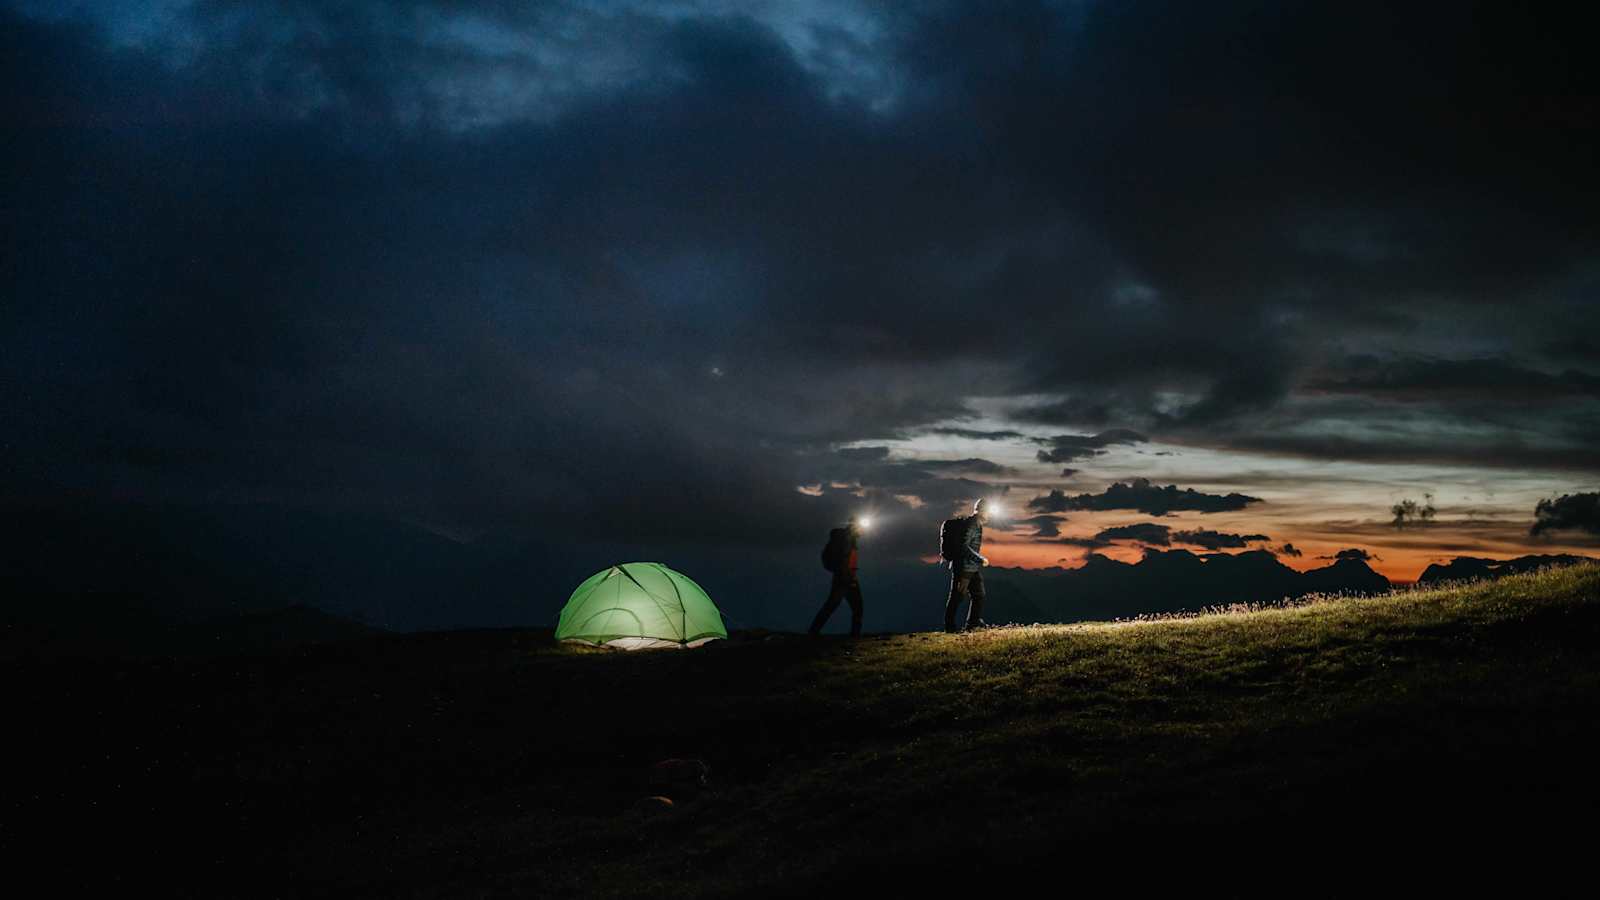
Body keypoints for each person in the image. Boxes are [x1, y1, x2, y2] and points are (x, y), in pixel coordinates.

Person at [810, 519, 865, 637]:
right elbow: (844, 560)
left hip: (846, 578)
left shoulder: (849, 540)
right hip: (844, 578)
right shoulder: (847, 540)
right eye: (861, 527)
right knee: (852, 607)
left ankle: (813, 631)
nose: (863, 531)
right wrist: (845, 574)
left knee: (835, 606)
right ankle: (813, 632)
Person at [945, 498, 991, 632]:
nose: (989, 515)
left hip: (972, 568)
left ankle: (973, 623)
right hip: (963, 568)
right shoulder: (971, 525)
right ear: (981, 511)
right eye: (988, 511)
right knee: (957, 597)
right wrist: (980, 559)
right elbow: (963, 547)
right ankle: (950, 627)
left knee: (979, 594)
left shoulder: (976, 524)